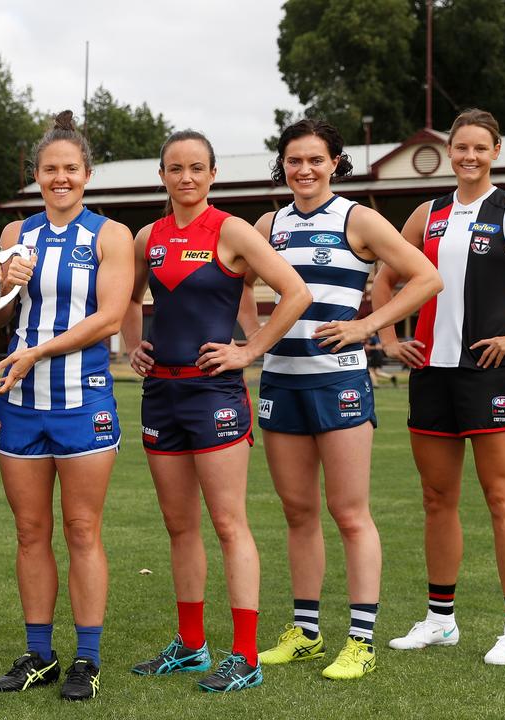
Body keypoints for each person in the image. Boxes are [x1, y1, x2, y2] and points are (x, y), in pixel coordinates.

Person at [374, 109, 505, 665]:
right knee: (437, 499)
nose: (468, 156)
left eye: (479, 148)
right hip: (430, 375)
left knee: (501, 498)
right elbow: (385, 278)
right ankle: (441, 620)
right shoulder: (428, 212)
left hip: (488, 372)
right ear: (450, 152)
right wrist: (391, 340)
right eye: (460, 147)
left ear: (496, 151)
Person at [244, 119, 441, 681]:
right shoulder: (267, 224)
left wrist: (369, 329)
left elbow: (426, 277)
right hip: (280, 381)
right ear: (281, 165)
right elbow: (232, 280)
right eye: (293, 160)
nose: (304, 169)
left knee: (349, 513)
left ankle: (361, 640)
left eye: (315, 160)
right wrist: (248, 341)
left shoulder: (358, 218)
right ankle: (306, 633)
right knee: (298, 512)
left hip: (339, 384)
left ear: (335, 163)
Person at [121, 130, 310, 693]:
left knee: (229, 524)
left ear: (212, 173)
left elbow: (294, 291)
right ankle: (191, 646)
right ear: (162, 176)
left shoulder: (230, 230)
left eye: (196, 168)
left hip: (214, 396)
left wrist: (250, 350)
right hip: (162, 394)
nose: (186, 177)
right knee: (180, 526)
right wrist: (133, 345)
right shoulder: (147, 236)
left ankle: (246, 655)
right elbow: (129, 299)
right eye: (175, 168)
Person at [0, 111, 134, 702]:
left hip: (82, 400)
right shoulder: (14, 235)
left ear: (87, 173)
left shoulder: (110, 235)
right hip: (18, 400)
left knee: (81, 529)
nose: (60, 178)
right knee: (29, 531)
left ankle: (88, 658)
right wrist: (3, 283)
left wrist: (38, 351)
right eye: (50, 170)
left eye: (70, 169)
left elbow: (110, 317)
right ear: (37, 176)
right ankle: (39, 653)